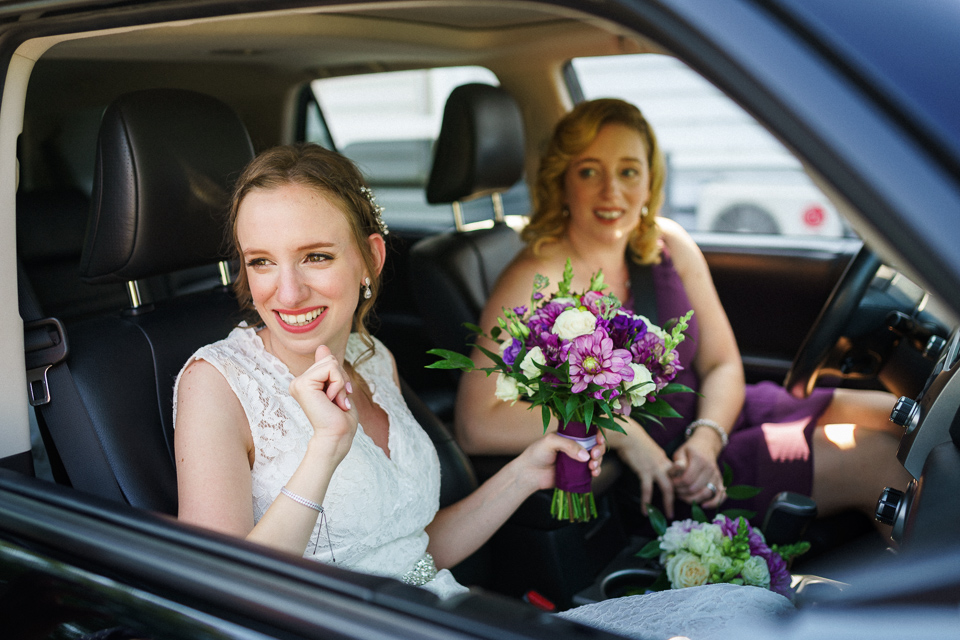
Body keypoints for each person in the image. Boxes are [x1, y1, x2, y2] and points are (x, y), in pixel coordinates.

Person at [172, 143, 606, 600]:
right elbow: (217, 593)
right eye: (261, 261)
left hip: (431, 610)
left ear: (370, 259)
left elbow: (410, 557)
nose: (288, 292)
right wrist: (325, 449)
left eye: (315, 256)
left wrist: (525, 475)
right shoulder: (217, 384)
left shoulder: (373, 357)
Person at [455, 98, 911, 526]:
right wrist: (622, 434)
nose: (612, 190)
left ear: (650, 180)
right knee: (880, 460)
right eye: (590, 171)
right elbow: (478, 424)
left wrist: (709, 435)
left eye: (629, 171)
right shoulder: (534, 275)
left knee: (902, 418)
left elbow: (721, 363)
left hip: (721, 418)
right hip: (668, 471)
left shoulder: (668, 245)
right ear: (562, 181)